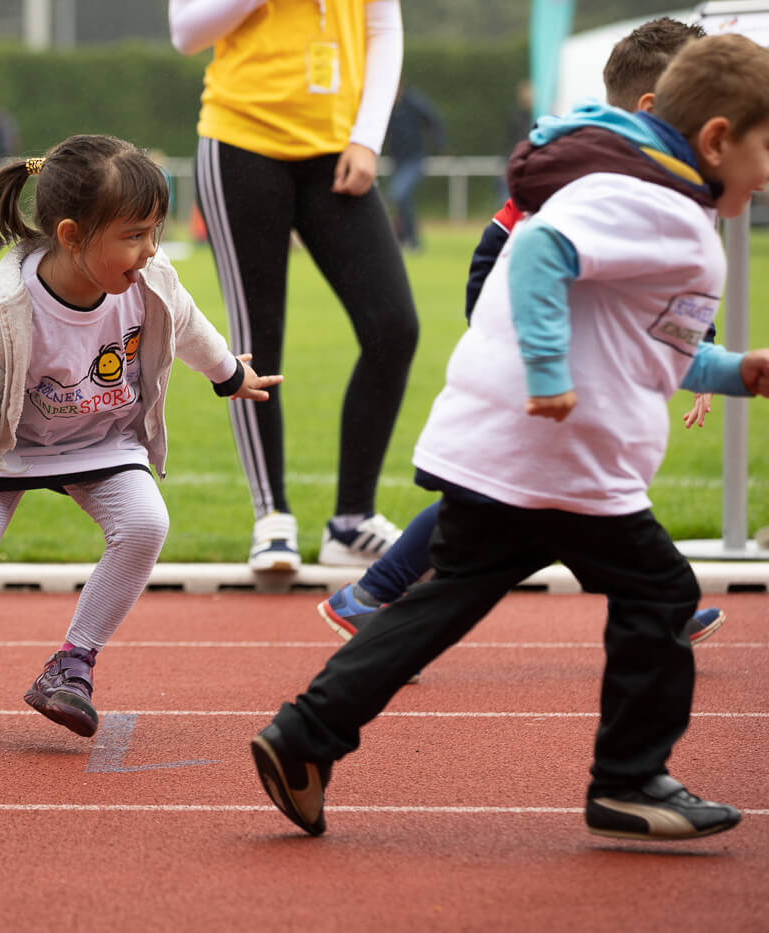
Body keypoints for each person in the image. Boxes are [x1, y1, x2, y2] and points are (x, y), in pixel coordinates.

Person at [251, 33, 769, 842]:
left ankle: (304, 734)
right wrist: (549, 372)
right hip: (561, 459)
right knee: (663, 594)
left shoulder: (649, 195)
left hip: (514, 452)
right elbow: (537, 252)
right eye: (767, 146)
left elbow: (650, 336)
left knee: (449, 597)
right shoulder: (655, 202)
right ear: (716, 140)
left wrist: (739, 371)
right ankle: (630, 779)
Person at [321, 18, 726, 650]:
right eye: (710, 105)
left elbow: (665, 282)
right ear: (655, 107)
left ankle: (369, 596)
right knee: (538, 496)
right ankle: (661, 602)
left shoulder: (660, 178)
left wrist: (699, 349)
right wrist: (525, 351)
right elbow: (498, 249)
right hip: (542, 356)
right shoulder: (587, 167)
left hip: (574, 357)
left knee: (546, 495)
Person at [0, 134, 282, 746]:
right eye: (134, 234)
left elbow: (189, 324)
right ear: (71, 236)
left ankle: (73, 663)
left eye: (155, 232)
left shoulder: (152, 280)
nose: (149, 251)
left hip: (101, 440)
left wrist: (229, 375)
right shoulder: (1, 308)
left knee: (145, 525)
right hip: (9, 449)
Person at [169, 0, 418, 572]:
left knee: (393, 327)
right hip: (241, 143)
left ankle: (352, 521)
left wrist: (368, 137)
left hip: (338, 149)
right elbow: (186, 32)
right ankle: (271, 515)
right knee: (259, 334)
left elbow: (383, 30)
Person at [385, 81, 446, 251]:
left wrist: (439, 146)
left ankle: (410, 238)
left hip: (414, 159)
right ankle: (409, 239)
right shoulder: (389, 104)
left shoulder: (414, 102)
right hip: (397, 160)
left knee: (398, 194)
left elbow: (434, 120)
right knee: (402, 199)